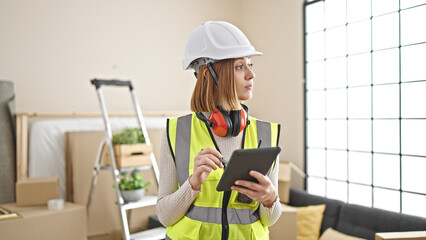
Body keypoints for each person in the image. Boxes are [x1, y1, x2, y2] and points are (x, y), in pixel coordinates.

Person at [156, 21, 282, 240]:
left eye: (250, 64)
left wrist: (271, 198)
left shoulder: (266, 133)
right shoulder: (177, 132)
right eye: (239, 66)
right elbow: (165, 217)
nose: (251, 74)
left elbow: (268, 219)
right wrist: (193, 183)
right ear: (208, 75)